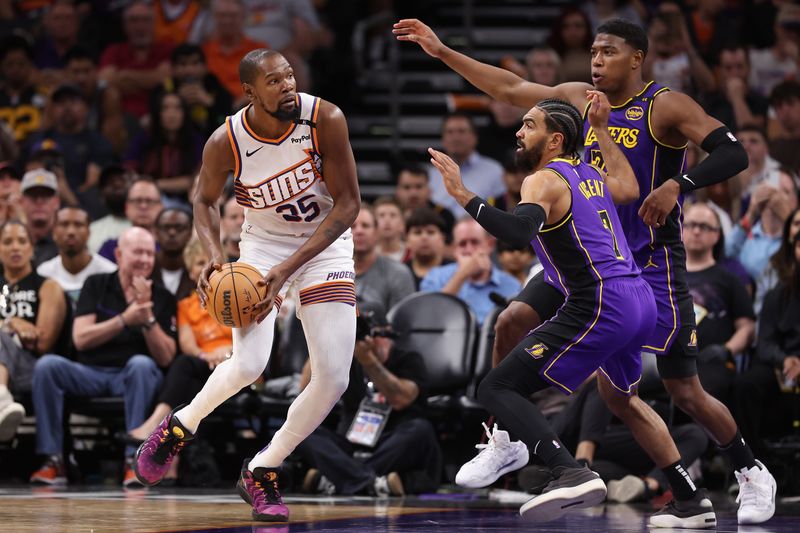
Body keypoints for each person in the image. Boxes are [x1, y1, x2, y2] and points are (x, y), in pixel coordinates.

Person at [394, 16, 776, 525]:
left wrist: (678, 185)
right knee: (512, 323)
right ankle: (506, 440)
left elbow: (733, 152)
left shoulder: (664, 106)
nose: (596, 61)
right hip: (580, 258)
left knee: (677, 389)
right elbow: (508, 86)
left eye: (607, 52)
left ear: (636, 58)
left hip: (647, 261)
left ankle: (748, 471)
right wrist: (442, 52)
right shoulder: (576, 98)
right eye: (593, 52)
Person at [429, 94, 710, 527]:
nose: (518, 133)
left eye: (528, 125)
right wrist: (599, 128)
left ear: (555, 139)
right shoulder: (591, 175)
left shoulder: (542, 180)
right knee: (623, 399)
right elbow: (631, 188)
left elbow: (517, 232)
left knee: (496, 387)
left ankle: (569, 470)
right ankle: (691, 500)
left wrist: (462, 193)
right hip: (639, 299)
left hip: (602, 301)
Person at [133, 49, 361, 524]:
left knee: (334, 379)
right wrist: (218, 258)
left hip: (326, 246)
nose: (287, 86)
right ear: (250, 92)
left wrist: (291, 268)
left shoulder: (326, 119)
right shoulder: (227, 140)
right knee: (249, 365)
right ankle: (179, 426)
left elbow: (348, 206)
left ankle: (263, 468)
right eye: (274, 81)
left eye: (290, 76)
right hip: (262, 249)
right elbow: (203, 200)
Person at [29, 227, 177, 486]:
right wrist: (124, 319)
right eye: (137, 252)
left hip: (134, 378)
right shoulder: (96, 284)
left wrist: (147, 318)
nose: (144, 259)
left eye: (149, 253)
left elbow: (166, 358)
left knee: (141, 364)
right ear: (119, 255)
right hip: (91, 373)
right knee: (48, 366)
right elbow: (81, 338)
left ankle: (134, 460)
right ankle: (53, 460)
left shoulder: (163, 296)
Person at [296, 301, 440, 497]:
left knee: (420, 430)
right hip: (351, 442)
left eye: (368, 332)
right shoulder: (345, 360)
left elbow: (401, 399)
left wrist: (369, 361)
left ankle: (338, 478)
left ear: (387, 332)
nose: (362, 338)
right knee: (301, 429)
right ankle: (371, 483)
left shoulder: (409, 359)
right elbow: (304, 391)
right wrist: (323, 343)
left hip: (391, 445)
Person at [0, 221, 67, 441]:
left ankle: (1, 398)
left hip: (33, 369)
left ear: (31, 248)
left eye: (22, 241)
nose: (15, 247)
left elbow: (42, 342)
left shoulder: (48, 286)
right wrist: (12, 323)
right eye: (7, 242)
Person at [683, 202, 755, 406]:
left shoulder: (730, 279)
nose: (697, 231)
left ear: (717, 235)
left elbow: (747, 328)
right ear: (681, 230)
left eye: (705, 227)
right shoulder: (667, 277)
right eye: (691, 225)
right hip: (670, 361)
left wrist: (726, 350)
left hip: (711, 363)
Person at [420, 218, 520, 326]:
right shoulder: (436, 277)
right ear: (454, 249)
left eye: (475, 242)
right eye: (462, 244)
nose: (469, 250)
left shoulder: (512, 285)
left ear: (490, 245)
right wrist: (462, 275)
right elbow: (428, 319)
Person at [37, 207, 117, 308]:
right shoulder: (43, 273)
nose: (71, 231)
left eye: (78, 225)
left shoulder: (109, 273)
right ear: (54, 233)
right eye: (64, 224)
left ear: (89, 232)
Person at [352, 206, 416, 312]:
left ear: (377, 232)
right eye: (353, 226)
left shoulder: (398, 273)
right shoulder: (332, 272)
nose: (359, 231)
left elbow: (402, 322)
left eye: (365, 226)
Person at [19, 169, 60, 267]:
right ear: (21, 202)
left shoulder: (65, 244)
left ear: (56, 202)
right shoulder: (8, 242)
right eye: (33, 195)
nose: (39, 201)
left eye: (46, 196)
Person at [403, 207, 450, 290]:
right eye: (417, 232)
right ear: (407, 240)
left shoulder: (455, 271)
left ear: (442, 238)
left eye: (430, 232)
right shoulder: (399, 273)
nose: (424, 237)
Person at [153, 207, 194, 300]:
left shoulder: (199, 271)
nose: (172, 233)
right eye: (165, 227)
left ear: (190, 233)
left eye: (179, 228)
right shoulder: (146, 269)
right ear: (156, 232)